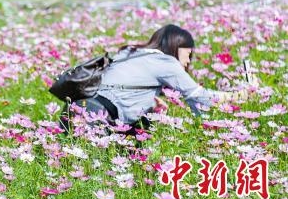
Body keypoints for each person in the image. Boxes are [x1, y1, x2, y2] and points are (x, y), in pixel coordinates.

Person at [60, 25, 259, 133]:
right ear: (181, 48)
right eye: (188, 54)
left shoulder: (129, 52)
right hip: (98, 116)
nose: (188, 60)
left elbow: (123, 89)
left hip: (73, 107)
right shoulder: (166, 62)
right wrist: (240, 95)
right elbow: (201, 97)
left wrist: (150, 104)